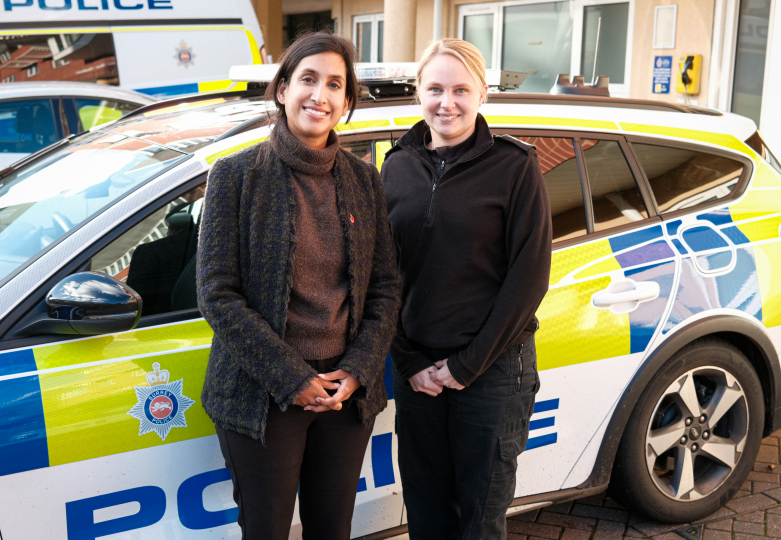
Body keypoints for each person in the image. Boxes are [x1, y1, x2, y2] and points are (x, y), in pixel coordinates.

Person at [197, 32, 400, 540]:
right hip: (264, 393)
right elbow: (217, 295)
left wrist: (355, 371)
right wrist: (293, 379)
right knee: (265, 530)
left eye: (335, 84)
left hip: (345, 394)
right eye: (308, 79)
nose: (320, 95)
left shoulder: (363, 179)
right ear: (283, 88)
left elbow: (385, 287)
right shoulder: (236, 176)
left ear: (347, 102)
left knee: (332, 529)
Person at [381, 38, 552, 539]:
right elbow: (382, 275)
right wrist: (409, 363)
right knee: (427, 513)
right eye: (434, 88)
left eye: (461, 89)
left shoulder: (515, 165)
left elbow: (528, 276)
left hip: (492, 371)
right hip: (418, 372)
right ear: (418, 93)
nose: (447, 102)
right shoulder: (396, 166)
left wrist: (465, 366)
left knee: (479, 518)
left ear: (482, 95)